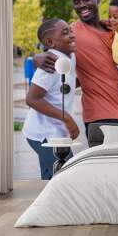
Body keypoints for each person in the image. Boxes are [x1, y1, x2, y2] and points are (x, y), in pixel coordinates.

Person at [33, 0, 118, 137]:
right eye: (76, 2)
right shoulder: (71, 34)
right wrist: (38, 57)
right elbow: (50, 50)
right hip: (100, 118)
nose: (82, 5)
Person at [23, 19, 79, 180]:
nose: (72, 35)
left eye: (70, 30)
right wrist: (67, 119)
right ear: (50, 42)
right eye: (65, 33)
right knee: (66, 177)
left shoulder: (70, 56)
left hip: (54, 132)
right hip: (44, 134)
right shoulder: (51, 63)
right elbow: (32, 99)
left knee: (49, 177)